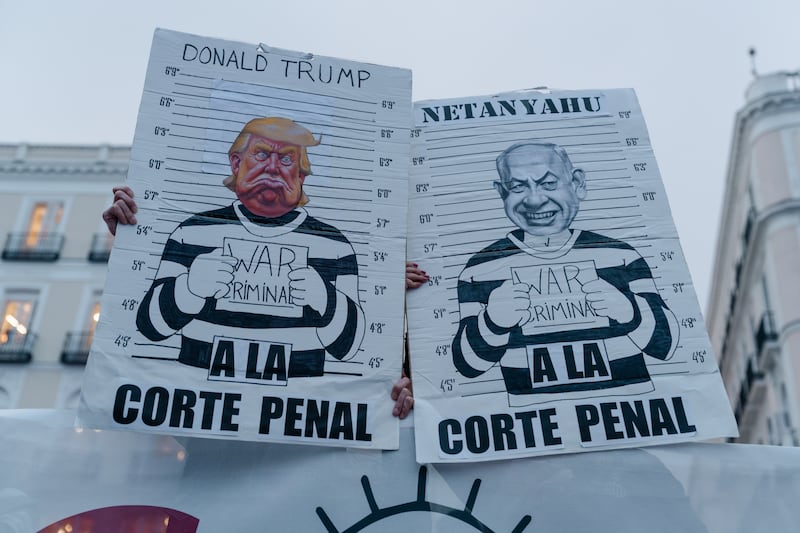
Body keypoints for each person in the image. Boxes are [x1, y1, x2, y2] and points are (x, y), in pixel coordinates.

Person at [103, 118, 415, 418]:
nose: (272, 167)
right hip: (199, 423)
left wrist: (325, 300)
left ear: (302, 175)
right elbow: (149, 326)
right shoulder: (190, 231)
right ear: (236, 163)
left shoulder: (336, 245)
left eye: (287, 159)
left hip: (307, 426)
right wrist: (187, 287)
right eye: (262, 154)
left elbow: (349, 346)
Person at [452, 142, 679, 405]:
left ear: (577, 184)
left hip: (631, 416)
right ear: (501, 192)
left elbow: (667, 345)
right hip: (532, 425)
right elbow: (468, 366)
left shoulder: (622, 255)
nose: (534, 200)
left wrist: (627, 309)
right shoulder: (478, 270)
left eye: (548, 184)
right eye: (517, 187)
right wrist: (492, 321)